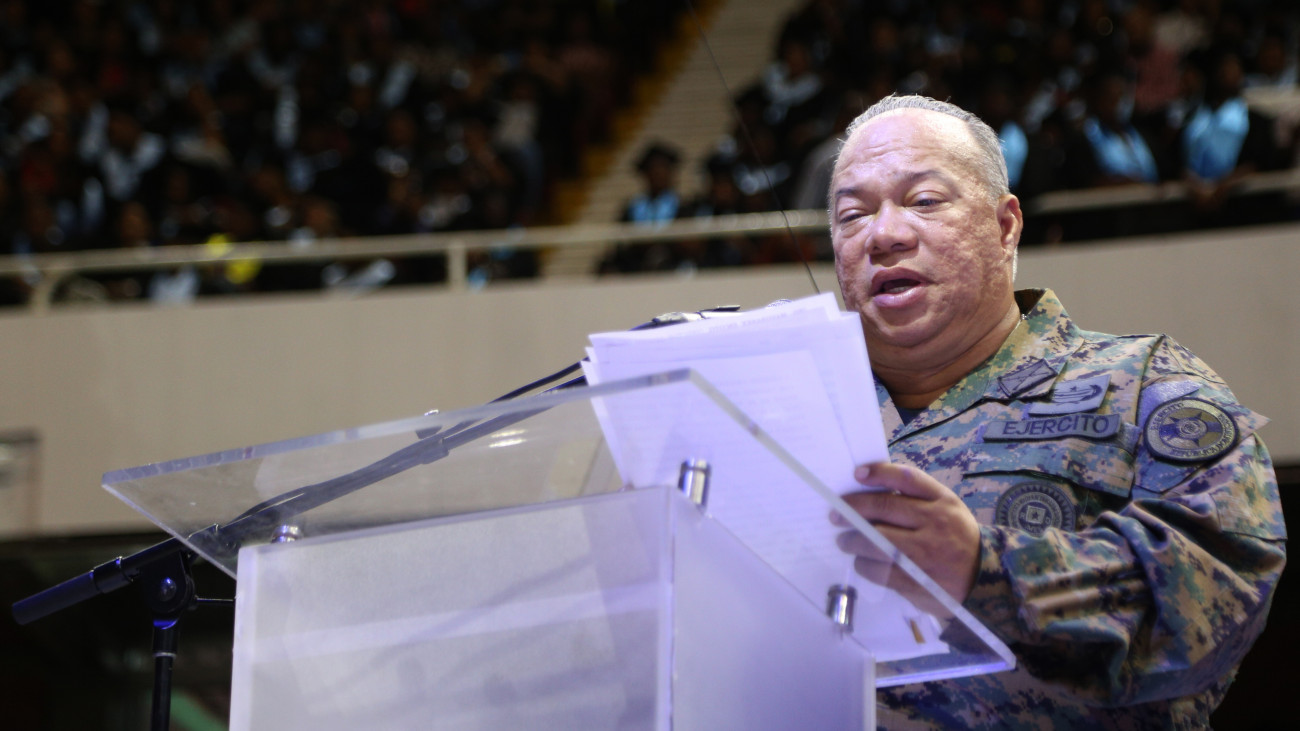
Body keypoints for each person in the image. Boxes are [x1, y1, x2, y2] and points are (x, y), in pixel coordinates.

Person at [828, 94, 1285, 728]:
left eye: (924, 201)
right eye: (853, 215)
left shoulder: (1143, 384)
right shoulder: (798, 417)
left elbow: (1217, 588)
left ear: (1005, 226)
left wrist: (986, 571)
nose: (884, 235)